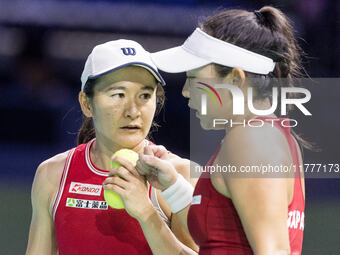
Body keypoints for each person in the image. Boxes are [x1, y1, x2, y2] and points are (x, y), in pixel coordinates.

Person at [136, 6, 306, 255]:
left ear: (235, 80)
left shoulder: (251, 140)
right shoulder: (264, 136)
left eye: (194, 79)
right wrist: (172, 186)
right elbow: (225, 239)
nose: (185, 91)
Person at [26, 39, 198, 255]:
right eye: (118, 95)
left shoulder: (180, 175)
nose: (133, 111)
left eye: (144, 96)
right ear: (87, 104)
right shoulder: (53, 174)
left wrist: (146, 213)